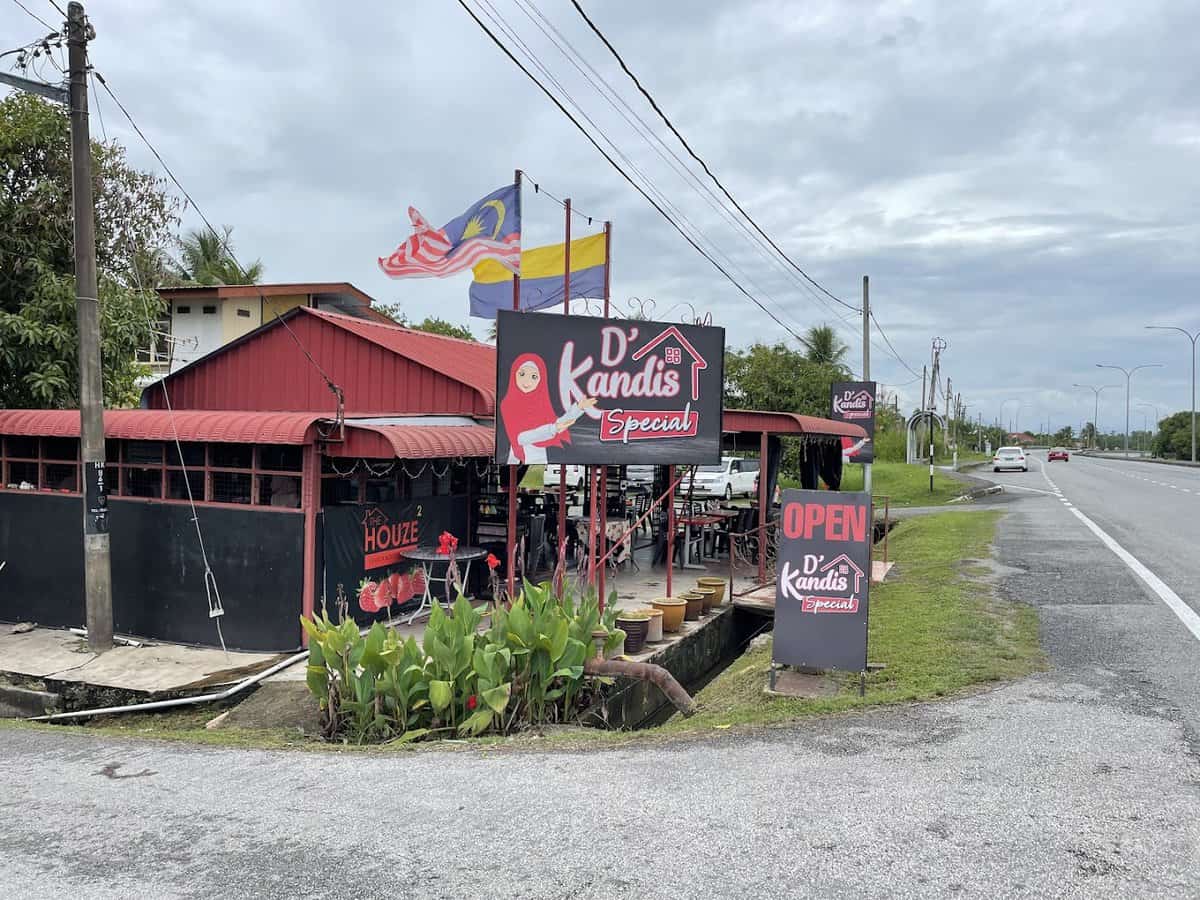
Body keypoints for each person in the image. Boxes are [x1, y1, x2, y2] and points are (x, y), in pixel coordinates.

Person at [499, 353, 596, 464]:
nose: (526, 381)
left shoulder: (540, 403)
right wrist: (552, 429)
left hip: (540, 457)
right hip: (518, 459)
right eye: (522, 374)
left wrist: (578, 408)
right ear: (514, 374)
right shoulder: (508, 403)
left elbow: (558, 423)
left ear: (541, 379)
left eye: (534, 377)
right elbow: (520, 438)